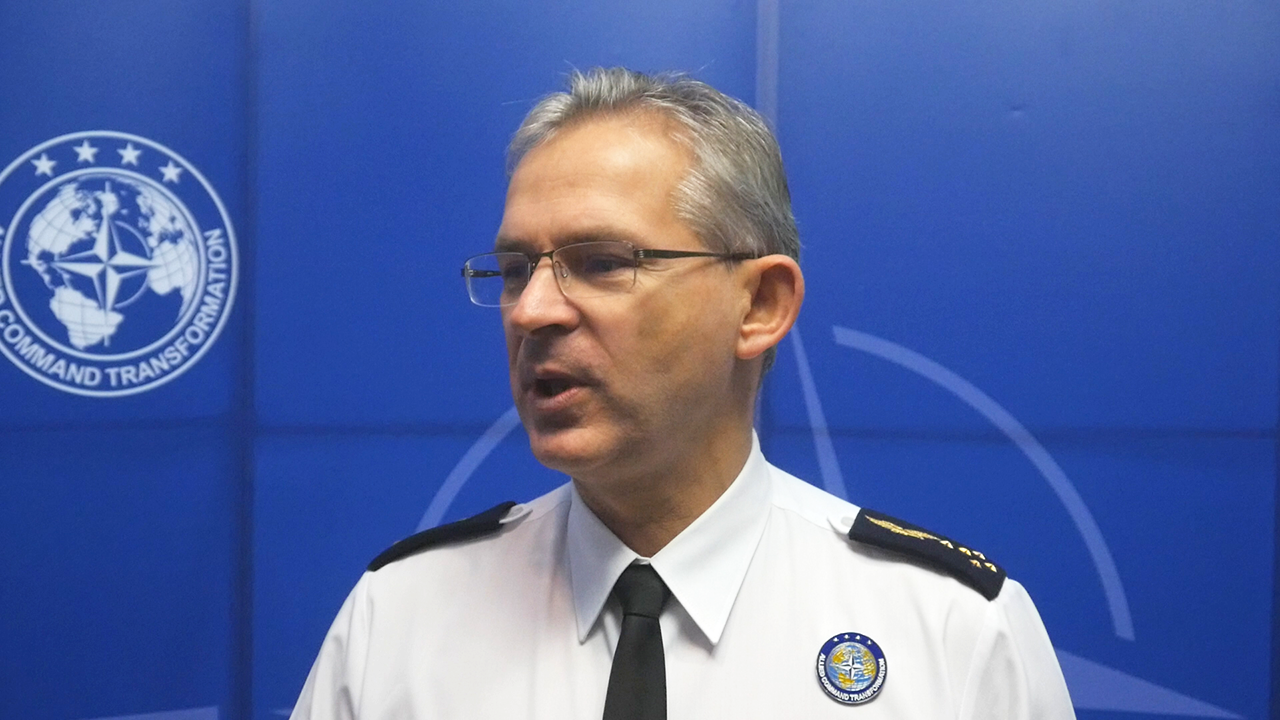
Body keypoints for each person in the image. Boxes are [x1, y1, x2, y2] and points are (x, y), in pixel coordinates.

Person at [290, 68, 1075, 719]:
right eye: (517, 270)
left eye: (602, 262)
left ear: (759, 304)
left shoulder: (951, 633)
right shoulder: (401, 619)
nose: (531, 311)